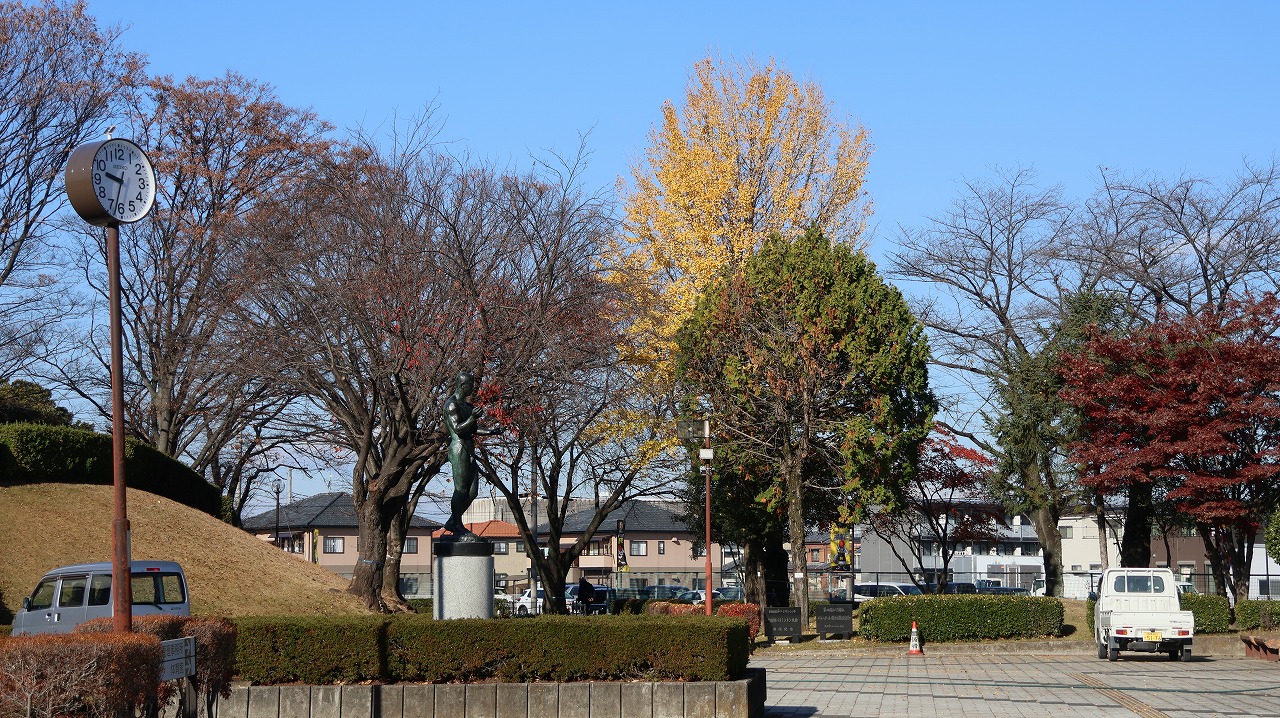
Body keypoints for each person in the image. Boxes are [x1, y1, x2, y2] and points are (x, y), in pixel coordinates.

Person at [441, 371, 499, 539]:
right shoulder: (451, 405)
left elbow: (473, 429)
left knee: (472, 492)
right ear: (462, 385)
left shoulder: (467, 406)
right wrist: (472, 417)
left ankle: (453, 521)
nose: (473, 388)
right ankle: (457, 525)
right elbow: (458, 429)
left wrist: (491, 431)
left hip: (469, 449)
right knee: (461, 489)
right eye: (471, 385)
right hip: (459, 448)